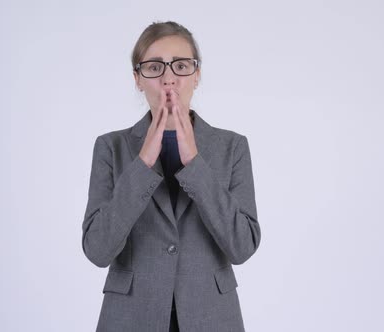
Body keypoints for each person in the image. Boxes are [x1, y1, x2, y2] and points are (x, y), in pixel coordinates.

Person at [81, 21, 261, 332]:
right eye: (154, 67)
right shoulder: (111, 147)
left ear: (197, 74)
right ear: (137, 78)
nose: (168, 79)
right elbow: (97, 250)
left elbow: (242, 247)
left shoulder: (232, 147)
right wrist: (143, 163)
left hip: (212, 316)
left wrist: (194, 162)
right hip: (130, 317)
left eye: (180, 66)